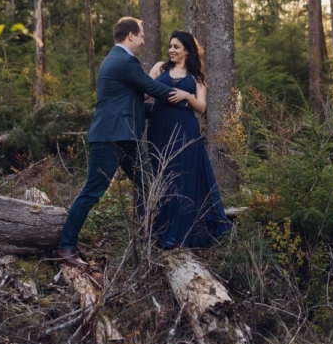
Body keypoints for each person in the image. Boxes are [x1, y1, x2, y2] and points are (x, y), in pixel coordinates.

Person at [55, 17, 191, 268]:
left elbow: (135, 103)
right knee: (92, 192)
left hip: (125, 137)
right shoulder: (125, 60)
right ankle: (65, 246)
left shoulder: (117, 61)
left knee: (148, 184)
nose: (144, 39)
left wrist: (167, 113)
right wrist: (185, 98)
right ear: (130, 36)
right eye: (141, 34)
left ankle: (146, 239)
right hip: (110, 138)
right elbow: (155, 89)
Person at [146, 30, 232, 249]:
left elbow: (202, 108)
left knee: (183, 176)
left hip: (185, 130)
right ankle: (159, 230)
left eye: (176, 47)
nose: (171, 50)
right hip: (159, 128)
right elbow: (144, 92)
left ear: (186, 50)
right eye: (170, 46)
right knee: (162, 175)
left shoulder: (197, 78)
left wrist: (187, 96)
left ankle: (185, 232)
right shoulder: (160, 68)